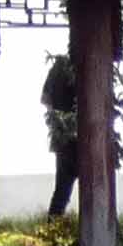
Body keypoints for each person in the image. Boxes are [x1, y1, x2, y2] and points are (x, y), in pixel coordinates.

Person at [41, 54, 81, 221]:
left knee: (61, 193)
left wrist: (57, 122)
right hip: (84, 138)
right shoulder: (86, 64)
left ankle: (52, 231)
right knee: (95, 190)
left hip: (62, 138)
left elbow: (44, 99)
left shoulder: (58, 66)